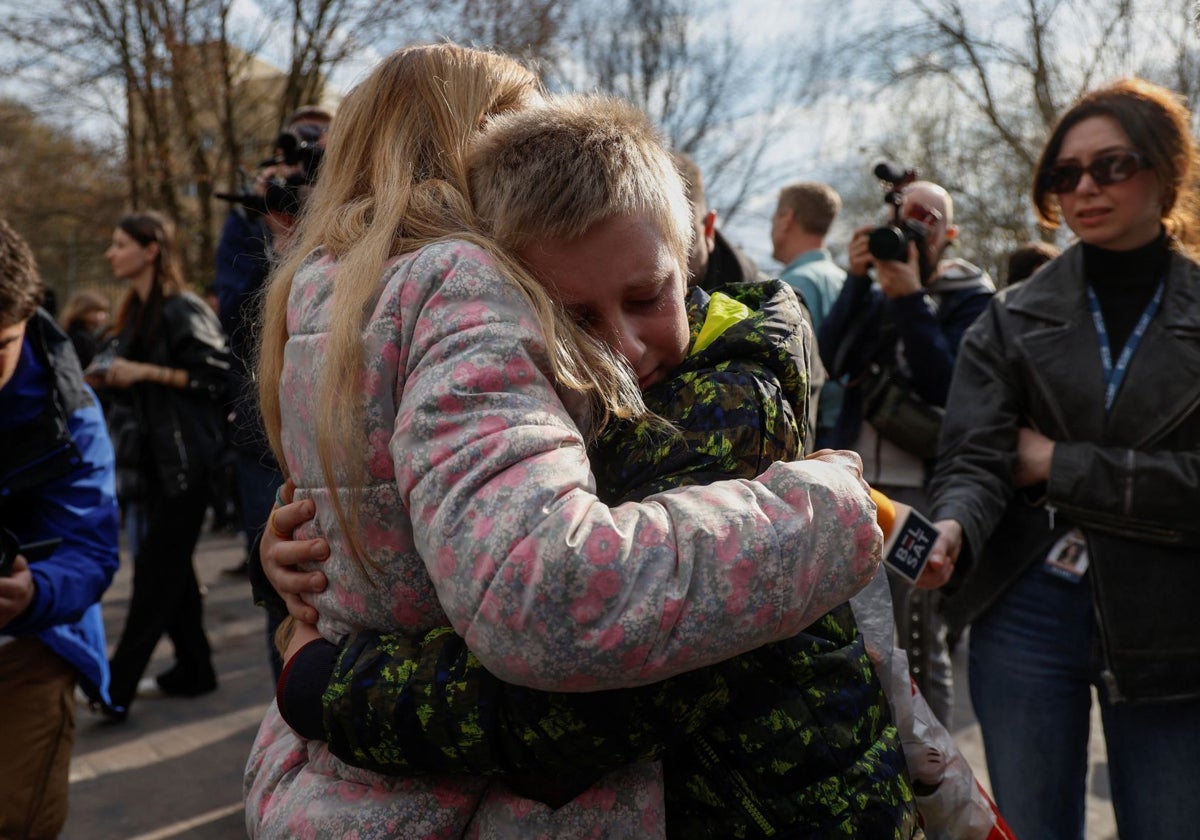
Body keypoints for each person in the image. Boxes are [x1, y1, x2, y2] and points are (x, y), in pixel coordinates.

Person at [243, 43, 884, 839]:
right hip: (494, 794)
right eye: (522, 128)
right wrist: (826, 513)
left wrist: (315, 656)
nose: (540, 157)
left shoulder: (325, 298)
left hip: (355, 786)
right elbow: (550, 592)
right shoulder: (462, 285)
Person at [925, 77, 1200, 839]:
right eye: (1064, 173)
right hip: (1027, 602)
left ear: (1167, 173)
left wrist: (1059, 463)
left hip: (1173, 615)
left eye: (1111, 165)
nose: (1084, 187)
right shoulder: (1010, 318)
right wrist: (952, 527)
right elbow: (976, 458)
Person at [818, 178, 994, 726]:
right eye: (906, 213)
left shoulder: (974, 301)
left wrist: (912, 301)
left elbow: (947, 384)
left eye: (929, 218)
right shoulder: (873, 293)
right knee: (854, 635)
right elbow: (830, 357)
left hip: (922, 493)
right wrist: (855, 280)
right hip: (859, 486)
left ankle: (934, 771)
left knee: (918, 637)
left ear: (951, 233)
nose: (915, 227)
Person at [0, 218, 119, 839]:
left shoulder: (69, 412)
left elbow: (91, 548)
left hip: (28, 648)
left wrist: (35, 590)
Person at [92, 211, 231, 722]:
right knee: (170, 570)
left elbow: (217, 376)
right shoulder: (139, 311)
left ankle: (113, 689)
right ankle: (195, 670)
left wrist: (143, 371)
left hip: (188, 467)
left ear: (151, 249)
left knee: (153, 576)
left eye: (120, 243)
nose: (111, 253)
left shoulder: (181, 308)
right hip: (156, 463)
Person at [212, 106, 332, 681]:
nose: (294, 163)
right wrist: (262, 227)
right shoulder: (255, 220)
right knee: (280, 580)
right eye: (291, 148)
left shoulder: (348, 210)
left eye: (312, 147)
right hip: (264, 438)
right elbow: (236, 317)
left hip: (333, 433)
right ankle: (287, 694)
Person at [771, 181, 847, 447]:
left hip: (818, 432)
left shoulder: (791, 285)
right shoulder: (845, 280)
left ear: (786, 218)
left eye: (774, 216)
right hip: (851, 424)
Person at [57, 288, 111, 369]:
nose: (104, 316)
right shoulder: (81, 338)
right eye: (98, 311)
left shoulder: (82, 333)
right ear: (83, 311)